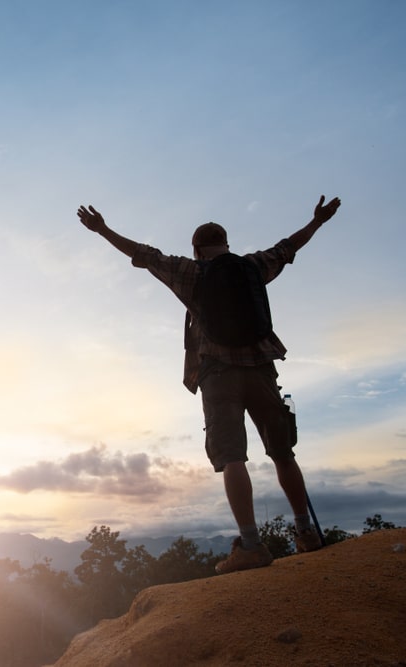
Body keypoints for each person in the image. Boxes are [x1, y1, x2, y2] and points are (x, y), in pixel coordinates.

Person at [76, 195, 342, 574]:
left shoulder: (191, 272)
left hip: (218, 375)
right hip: (263, 369)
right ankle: (306, 534)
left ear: (197, 250)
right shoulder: (253, 266)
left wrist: (102, 230)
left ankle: (251, 545)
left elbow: (143, 254)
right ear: (227, 244)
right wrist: (317, 221)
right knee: (283, 453)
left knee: (232, 456)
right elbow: (288, 247)